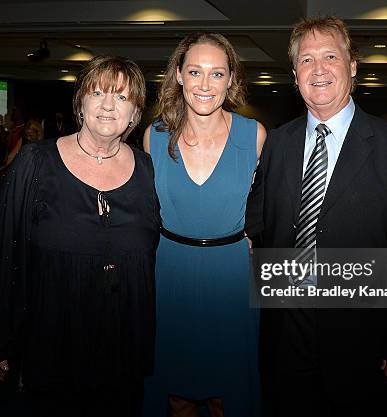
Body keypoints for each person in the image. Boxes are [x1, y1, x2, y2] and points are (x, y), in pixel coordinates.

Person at [245, 16, 387, 417]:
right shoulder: (277, 143)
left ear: (353, 66)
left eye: (330, 56)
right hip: (284, 336)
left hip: (361, 339)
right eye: (307, 60)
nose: (319, 69)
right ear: (295, 75)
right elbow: (257, 225)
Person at [0, 55, 159, 417]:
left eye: (121, 97)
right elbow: (0, 249)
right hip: (52, 338)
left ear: (134, 113)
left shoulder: (148, 170)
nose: (107, 105)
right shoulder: (34, 163)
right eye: (98, 92)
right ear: (80, 103)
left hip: (123, 342)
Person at [143, 32, 266, 417]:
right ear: (178, 75)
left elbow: (272, 203)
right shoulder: (154, 136)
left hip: (230, 276)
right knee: (176, 394)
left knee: (225, 396)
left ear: (231, 79)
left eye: (217, 73)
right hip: (170, 274)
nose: (205, 84)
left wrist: (256, 239)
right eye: (195, 71)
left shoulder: (255, 135)